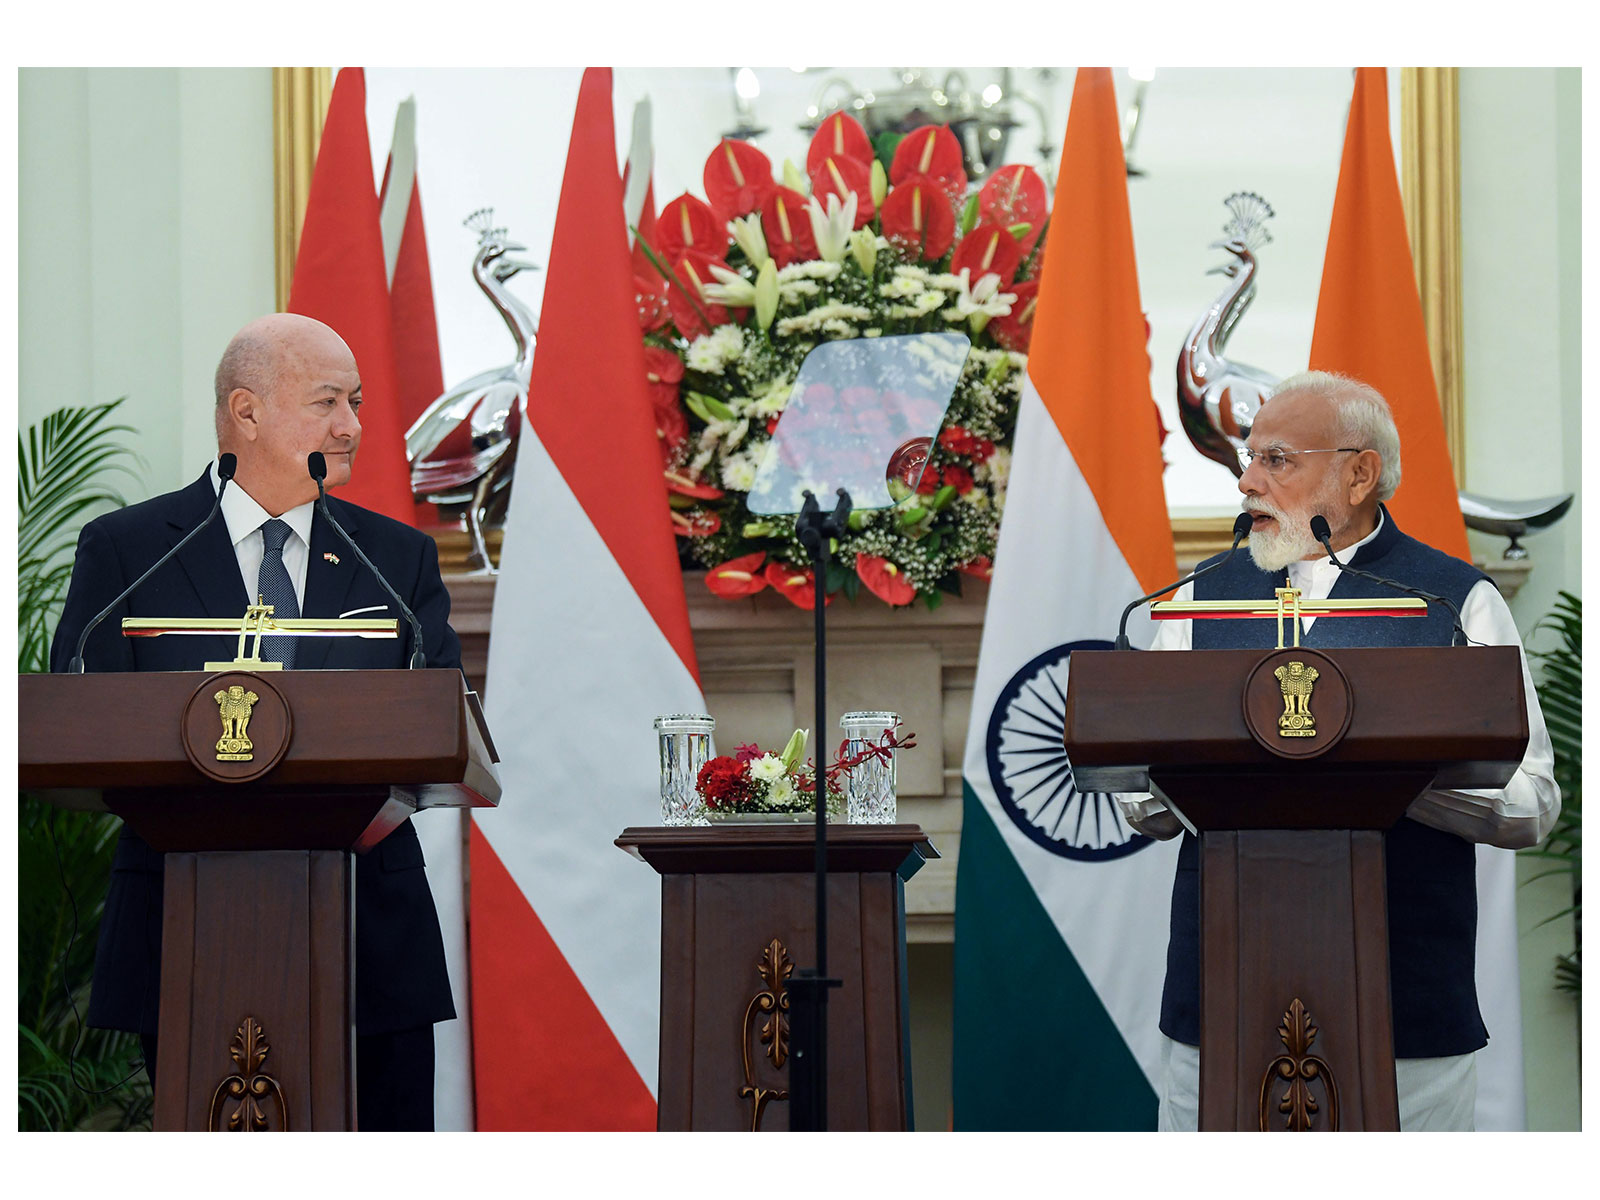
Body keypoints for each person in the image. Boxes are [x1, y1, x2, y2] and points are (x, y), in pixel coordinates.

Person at [1117, 370, 1560, 1132]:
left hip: (1407, 1013)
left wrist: (1392, 778)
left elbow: (1531, 805)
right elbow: (1135, 796)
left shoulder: (1454, 602)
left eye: (1276, 460)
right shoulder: (1198, 598)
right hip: (1222, 1001)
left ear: (1360, 473)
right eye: (1250, 459)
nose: (1248, 480)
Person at [50, 313, 461, 1131]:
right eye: (328, 402)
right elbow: (76, 708)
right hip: (182, 926)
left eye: (355, 401)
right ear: (246, 412)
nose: (354, 425)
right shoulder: (130, 549)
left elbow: (441, 717)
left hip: (370, 936)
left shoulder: (397, 557)